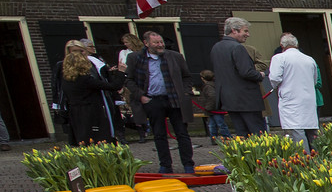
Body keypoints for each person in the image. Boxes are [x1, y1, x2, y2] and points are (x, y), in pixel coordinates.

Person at [128, 31, 195, 173]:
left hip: (174, 99)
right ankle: (165, 165)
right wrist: (141, 96)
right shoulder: (136, 58)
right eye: (156, 43)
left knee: (182, 133)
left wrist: (185, 92)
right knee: (159, 134)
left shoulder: (175, 57)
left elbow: (186, 76)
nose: (160, 45)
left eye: (161, 42)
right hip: (153, 100)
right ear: (146, 44)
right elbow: (129, 80)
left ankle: (188, 164)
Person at [211, 17, 267, 136]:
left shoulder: (216, 47)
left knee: (242, 135)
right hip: (247, 100)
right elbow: (246, 72)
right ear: (234, 30)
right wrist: (260, 75)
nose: (248, 34)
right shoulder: (237, 47)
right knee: (257, 135)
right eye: (245, 31)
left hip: (229, 100)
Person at [61, 40, 122, 144]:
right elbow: (113, 86)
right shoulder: (85, 79)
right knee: (97, 139)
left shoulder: (66, 78)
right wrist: (122, 73)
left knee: (83, 140)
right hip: (91, 112)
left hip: (75, 112)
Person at [268, 34, 320, 148]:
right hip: (308, 98)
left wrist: (276, 86)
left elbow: (275, 78)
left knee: (296, 130)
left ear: (282, 45)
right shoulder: (309, 59)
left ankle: (304, 159)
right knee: (311, 129)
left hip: (290, 98)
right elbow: (315, 80)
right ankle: (318, 156)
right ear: (297, 45)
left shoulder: (279, 58)